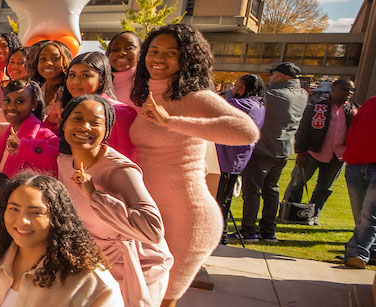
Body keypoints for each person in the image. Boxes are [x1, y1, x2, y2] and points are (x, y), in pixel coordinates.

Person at [129, 24, 259, 304]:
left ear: (186, 58)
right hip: (150, 214)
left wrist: (172, 122)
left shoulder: (196, 98)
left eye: (171, 53)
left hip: (186, 217)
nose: (159, 58)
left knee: (161, 299)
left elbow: (246, 131)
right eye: (153, 51)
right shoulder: (148, 97)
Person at [0, 173, 124, 306]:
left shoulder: (89, 282)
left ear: (57, 218)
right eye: (13, 209)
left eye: (36, 212)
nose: (22, 220)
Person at [58, 95, 173, 307]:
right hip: (93, 264)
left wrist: (95, 196)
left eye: (95, 122)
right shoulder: (64, 160)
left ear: (107, 130)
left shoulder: (121, 170)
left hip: (133, 269)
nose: (85, 126)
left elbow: (153, 230)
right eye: (77, 118)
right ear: (63, 123)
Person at [236, 61, 309, 242]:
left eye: (273, 75)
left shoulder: (275, 95)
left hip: (264, 148)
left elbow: (248, 100)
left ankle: (249, 230)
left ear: (282, 76)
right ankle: (268, 231)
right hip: (283, 149)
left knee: (252, 191)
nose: (270, 78)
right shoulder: (302, 94)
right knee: (271, 190)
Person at [285, 79, 356, 225]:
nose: (348, 93)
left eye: (351, 90)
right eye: (345, 89)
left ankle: (313, 215)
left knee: (324, 188)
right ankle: (290, 212)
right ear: (333, 89)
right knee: (298, 183)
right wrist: (301, 152)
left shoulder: (353, 111)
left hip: (337, 156)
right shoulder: (317, 108)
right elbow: (303, 130)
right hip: (312, 152)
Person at [216, 74, 266, 243]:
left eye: (235, 85)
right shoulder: (258, 105)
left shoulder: (244, 104)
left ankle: (219, 235)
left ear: (243, 88)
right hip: (234, 159)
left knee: (220, 200)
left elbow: (216, 106)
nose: (233, 88)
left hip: (227, 158)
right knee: (224, 199)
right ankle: (220, 234)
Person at [61, 52, 138, 160]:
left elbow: (122, 158)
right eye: (72, 75)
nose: (76, 82)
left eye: (85, 76)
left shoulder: (120, 112)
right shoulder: (68, 108)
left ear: (101, 80)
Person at [0, 80, 58, 177]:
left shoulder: (47, 137)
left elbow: (53, 165)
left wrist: (24, 148)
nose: (11, 107)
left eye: (20, 101)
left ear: (34, 104)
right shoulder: (3, 137)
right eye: (7, 100)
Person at [342, 94, 376, 268]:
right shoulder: (371, 102)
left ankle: (356, 253)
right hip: (356, 164)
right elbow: (354, 130)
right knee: (360, 214)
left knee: (369, 215)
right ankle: (372, 248)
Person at [26, 40, 73, 131]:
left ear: (65, 61)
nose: (48, 63)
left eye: (55, 58)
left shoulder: (70, 92)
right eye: (43, 59)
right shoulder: (33, 90)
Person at [107, 31, 141, 101]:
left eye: (129, 48)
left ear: (141, 52)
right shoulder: (100, 84)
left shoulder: (150, 84)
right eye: (115, 49)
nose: (121, 53)